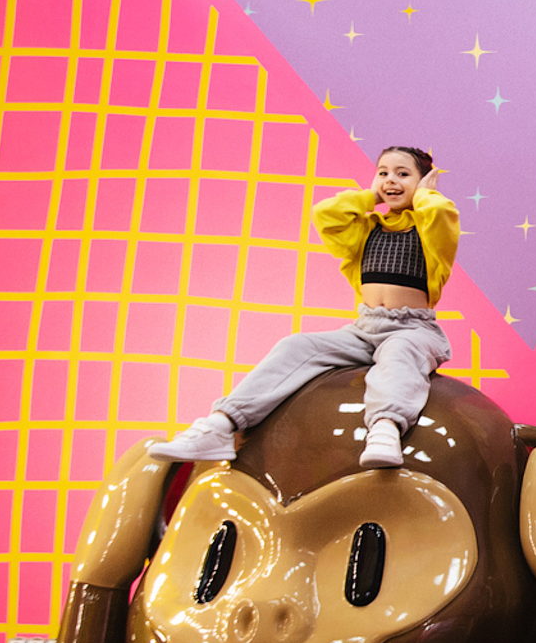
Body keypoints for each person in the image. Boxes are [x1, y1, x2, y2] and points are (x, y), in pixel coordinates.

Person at [149, 146, 458, 469]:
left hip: (412, 328)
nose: (390, 180)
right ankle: (221, 424)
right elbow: (326, 214)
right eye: (383, 172)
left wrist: (425, 194)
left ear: (424, 182)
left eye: (403, 174)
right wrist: (371, 197)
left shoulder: (431, 230)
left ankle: (385, 428)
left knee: (399, 352)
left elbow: (439, 213)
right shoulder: (367, 229)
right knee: (296, 345)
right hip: (365, 329)